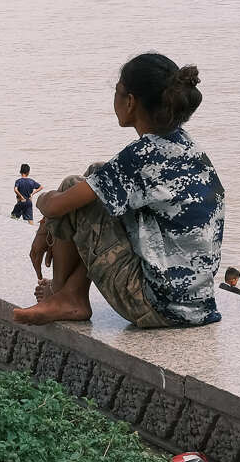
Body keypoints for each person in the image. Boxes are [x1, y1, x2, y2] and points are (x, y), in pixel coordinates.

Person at [13, 53, 224, 329]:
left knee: (70, 188)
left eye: (117, 91)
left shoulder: (140, 156)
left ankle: (66, 299)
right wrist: (46, 225)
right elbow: (101, 179)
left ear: (130, 101)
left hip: (156, 305)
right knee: (95, 176)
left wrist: (42, 203)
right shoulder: (188, 148)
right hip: (198, 305)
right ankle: (68, 293)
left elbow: (57, 205)